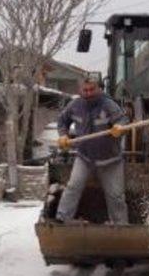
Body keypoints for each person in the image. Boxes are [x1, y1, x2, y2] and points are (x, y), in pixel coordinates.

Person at [55, 78, 129, 224]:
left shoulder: (108, 105)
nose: (88, 93)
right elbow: (62, 121)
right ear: (80, 90)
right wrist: (63, 135)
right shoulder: (75, 105)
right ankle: (62, 219)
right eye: (85, 90)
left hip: (110, 160)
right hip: (85, 158)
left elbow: (123, 121)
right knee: (73, 186)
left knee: (116, 196)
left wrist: (119, 128)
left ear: (99, 89)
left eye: (92, 89)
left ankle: (121, 226)